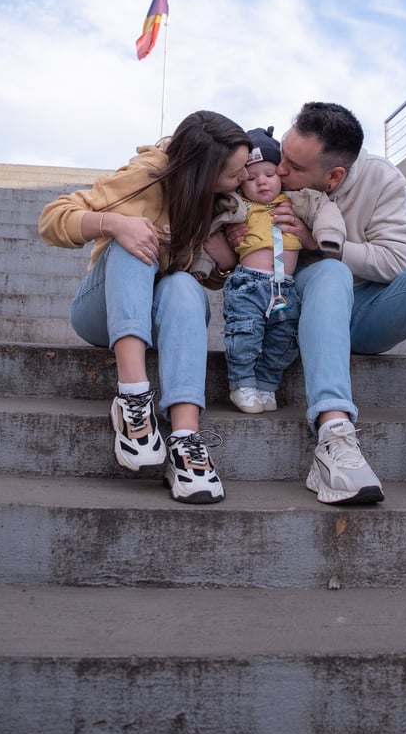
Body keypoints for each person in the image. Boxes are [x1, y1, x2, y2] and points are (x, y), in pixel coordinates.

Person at [228, 100, 406, 506]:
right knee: (329, 273)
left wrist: (316, 243)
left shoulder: (381, 179)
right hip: (297, 310)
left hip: (367, 313)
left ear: (334, 175)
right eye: (283, 152)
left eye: (294, 166)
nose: (279, 170)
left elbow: (397, 261)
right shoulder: (266, 179)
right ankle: (333, 434)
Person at [38, 110, 252, 505]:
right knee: (134, 237)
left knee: (183, 284)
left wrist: (225, 262)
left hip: (163, 317)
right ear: (203, 172)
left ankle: (185, 440)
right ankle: (133, 399)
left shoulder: (222, 202)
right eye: (233, 173)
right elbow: (53, 218)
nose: (244, 178)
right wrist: (114, 224)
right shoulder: (147, 176)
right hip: (105, 312)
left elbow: (210, 278)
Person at [192, 126, 346, 415]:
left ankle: (266, 385)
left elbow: (326, 210)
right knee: (244, 334)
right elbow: (210, 232)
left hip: (286, 286)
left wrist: (328, 236)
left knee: (284, 339)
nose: (262, 182)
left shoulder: (297, 200)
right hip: (248, 284)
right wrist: (202, 266)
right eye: (252, 178)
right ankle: (242, 384)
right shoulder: (237, 205)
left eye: (270, 174)